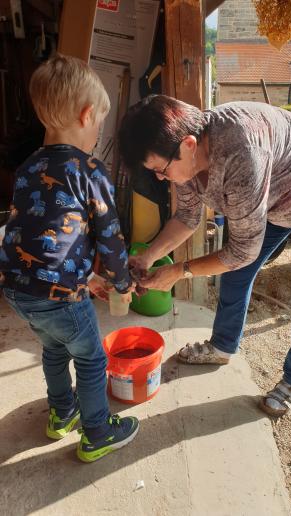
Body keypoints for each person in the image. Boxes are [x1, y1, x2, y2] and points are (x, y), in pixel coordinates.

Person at [118, 95, 291, 418]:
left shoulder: (241, 152)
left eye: (160, 171)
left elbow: (242, 251)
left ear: (188, 145)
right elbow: (187, 218)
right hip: (276, 198)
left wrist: (180, 270)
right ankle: (222, 346)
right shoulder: (185, 156)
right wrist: (147, 257)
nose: (161, 178)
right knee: (234, 271)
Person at [0, 54, 139, 462]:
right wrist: (122, 282)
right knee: (92, 358)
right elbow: (110, 237)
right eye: (99, 123)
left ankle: (62, 414)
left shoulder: (27, 168)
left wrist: (85, 277)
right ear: (85, 115)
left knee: (55, 349)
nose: (98, 132)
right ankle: (96, 432)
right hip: (60, 296)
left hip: (18, 291)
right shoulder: (90, 170)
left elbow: (38, 232)